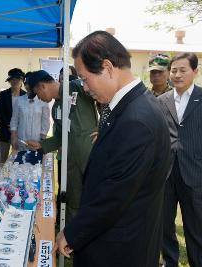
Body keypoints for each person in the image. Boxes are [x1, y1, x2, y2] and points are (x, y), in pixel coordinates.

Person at [53, 31, 171, 267]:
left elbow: (114, 195)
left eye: (85, 79)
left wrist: (74, 232)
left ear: (107, 67)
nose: (84, 88)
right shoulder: (130, 106)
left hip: (118, 249)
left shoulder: (136, 119)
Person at [26, 70, 98, 223]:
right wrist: (41, 145)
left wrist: (104, 125)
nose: (39, 98)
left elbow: (106, 99)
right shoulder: (55, 109)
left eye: (37, 94)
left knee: (95, 199)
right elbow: (60, 137)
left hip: (92, 157)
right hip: (71, 162)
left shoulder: (77, 86)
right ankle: (73, 241)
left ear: (42, 86)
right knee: (74, 203)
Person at [158, 52, 202, 267]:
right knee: (165, 226)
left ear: (195, 71)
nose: (177, 74)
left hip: (195, 174)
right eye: (173, 70)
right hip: (165, 174)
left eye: (182, 70)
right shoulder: (161, 101)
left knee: (196, 228)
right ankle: (169, 262)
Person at [10, 73, 50, 151]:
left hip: (37, 141)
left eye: (31, 82)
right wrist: (13, 137)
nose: (29, 85)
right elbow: (14, 120)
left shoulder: (43, 101)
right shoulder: (18, 100)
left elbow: (45, 122)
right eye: (26, 83)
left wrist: (42, 140)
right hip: (21, 140)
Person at [0, 68, 27, 162]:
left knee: (18, 159)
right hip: (4, 131)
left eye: (17, 79)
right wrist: (9, 125)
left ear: (22, 80)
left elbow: (26, 114)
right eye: (12, 79)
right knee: (2, 159)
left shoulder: (26, 96)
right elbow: (0, 111)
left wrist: (16, 127)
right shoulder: (3, 94)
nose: (14, 81)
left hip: (20, 132)